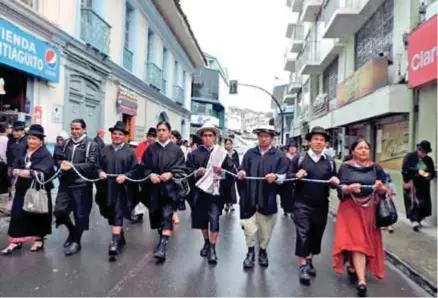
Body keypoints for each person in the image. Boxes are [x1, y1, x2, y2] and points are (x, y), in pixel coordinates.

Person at [333, 138, 387, 297]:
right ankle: (362, 281)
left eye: (366, 148)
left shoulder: (376, 168)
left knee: (362, 241)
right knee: (357, 243)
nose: (363, 151)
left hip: (369, 210)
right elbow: (340, 189)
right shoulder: (345, 167)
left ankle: (352, 266)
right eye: (360, 148)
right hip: (350, 210)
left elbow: (385, 189)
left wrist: (381, 188)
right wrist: (349, 188)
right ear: (353, 151)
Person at [288, 126, 339, 285]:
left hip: (321, 204)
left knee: (316, 234)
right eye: (316, 139)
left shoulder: (329, 162)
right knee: (303, 233)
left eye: (322, 140)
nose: (318, 142)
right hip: (301, 203)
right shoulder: (299, 159)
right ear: (309, 142)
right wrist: (296, 175)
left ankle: (309, 259)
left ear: (325, 143)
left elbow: (334, 181)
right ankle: (303, 266)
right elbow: (288, 176)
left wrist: (335, 182)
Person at [237, 125, 289, 269]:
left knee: (266, 230)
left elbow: (285, 175)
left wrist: (276, 177)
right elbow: (242, 168)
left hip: (268, 197)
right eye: (261, 136)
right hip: (250, 196)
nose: (263, 138)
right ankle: (250, 252)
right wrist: (241, 173)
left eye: (266, 136)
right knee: (249, 228)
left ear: (272, 138)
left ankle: (263, 251)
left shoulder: (279, 156)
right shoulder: (250, 153)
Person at [186, 122, 235, 265]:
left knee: (214, 219)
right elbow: (187, 171)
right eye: (205, 135)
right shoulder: (194, 154)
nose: (207, 138)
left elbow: (231, 172)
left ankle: (213, 248)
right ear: (201, 137)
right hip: (200, 192)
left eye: (210, 135)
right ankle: (206, 242)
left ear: (214, 137)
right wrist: (196, 173)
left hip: (215, 193)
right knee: (202, 220)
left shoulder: (223, 154)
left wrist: (222, 173)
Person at [2, 124, 55, 255]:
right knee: (17, 214)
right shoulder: (23, 150)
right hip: (22, 188)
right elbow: (15, 164)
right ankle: (15, 241)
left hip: (38, 189)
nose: (31, 141)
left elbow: (45, 170)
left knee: (37, 215)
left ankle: (39, 239)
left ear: (41, 140)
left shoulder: (45, 154)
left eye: (35, 139)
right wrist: (13, 171)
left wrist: (25, 172)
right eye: (30, 138)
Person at [141, 121, 186, 262]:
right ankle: (162, 235)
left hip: (170, 189)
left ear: (169, 132)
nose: (161, 133)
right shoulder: (150, 149)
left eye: (164, 130)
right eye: (159, 130)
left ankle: (162, 246)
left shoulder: (176, 150)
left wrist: (171, 174)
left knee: (167, 215)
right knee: (156, 215)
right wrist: (150, 175)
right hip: (154, 189)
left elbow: (181, 168)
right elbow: (143, 167)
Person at [53, 119, 99, 256]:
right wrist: (60, 163)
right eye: (72, 128)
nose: (74, 131)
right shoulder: (66, 142)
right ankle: (72, 230)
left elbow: (91, 165)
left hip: (82, 184)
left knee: (80, 214)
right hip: (65, 183)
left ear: (84, 129)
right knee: (59, 210)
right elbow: (59, 157)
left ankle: (77, 242)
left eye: (77, 129)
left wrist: (72, 166)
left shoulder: (91, 144)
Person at [95, 122, 138, 261]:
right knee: (109, 213)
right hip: (106, 188)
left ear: (125, 136)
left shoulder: (130, 152)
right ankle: (120, 235)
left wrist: (125, 176)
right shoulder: (104, 150)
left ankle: (113, 242)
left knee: (118, 212)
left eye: (120, 134)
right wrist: (100, 172)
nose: (117, 136)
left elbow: (136, 170)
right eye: (114, 133)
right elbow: (96, 165)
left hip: (122, 189)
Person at [402, 140, 436, 232]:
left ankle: (418, 220)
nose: (424, 154)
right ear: (419, 150)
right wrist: (409, 179)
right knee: (412, 203)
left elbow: (431, 172)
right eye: (423, 152)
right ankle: (414, 221)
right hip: (411, 184)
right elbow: (405, 169)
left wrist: (427, 175)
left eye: (426, 152)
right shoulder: (410, 157)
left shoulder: (428, 160)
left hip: (423, 185)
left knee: (423, 205)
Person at [132, 127, 157, 223]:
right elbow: (136, 157)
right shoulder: (141, 146)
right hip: (142, 173)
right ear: (147, 137)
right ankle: (139, 214)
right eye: (150, 136)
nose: (151, 139)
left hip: (154, 174)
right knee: (141, 193)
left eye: (153, 137)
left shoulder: (158, 147)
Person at [281, 140, 298, 217]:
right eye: (291, 147)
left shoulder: (298, 157)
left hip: (295, 179)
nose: (292, 149)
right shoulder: (284, 157)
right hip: (286, 180)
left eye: (294, 147)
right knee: (285, 195)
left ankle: (293, 210)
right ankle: (285, 208)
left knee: (295, 195)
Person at [223, 138, 239, 213]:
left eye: (229, 144)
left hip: (232, 173)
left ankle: (231, 204)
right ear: (224, 145)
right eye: (227, 144)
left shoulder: (234, 153)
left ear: (232, 145)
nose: (228, 145)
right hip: (225, 174)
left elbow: (237, 163)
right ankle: (226, 204)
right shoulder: (222, 153)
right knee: (225, 189)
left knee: (232, 189)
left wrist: (237, 169)